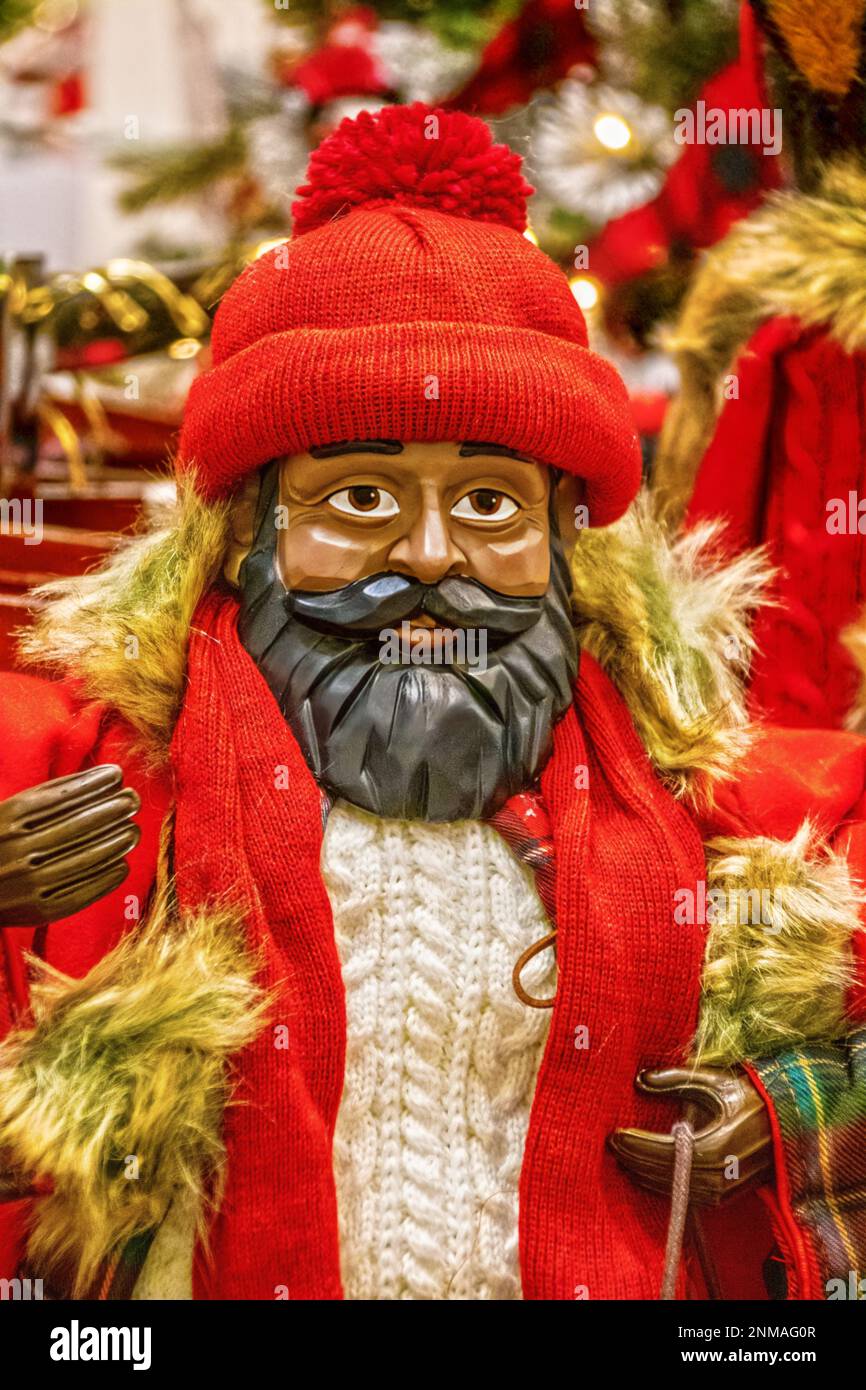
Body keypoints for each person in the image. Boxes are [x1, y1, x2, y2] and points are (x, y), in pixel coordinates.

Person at [1, 103, 865, 1302]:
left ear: (566, 537)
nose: (425, 552)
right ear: (250, 525)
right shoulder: (86, 773)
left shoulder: (715, 804)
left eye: (489, 504)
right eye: (357, 498)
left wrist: (798, 1104)